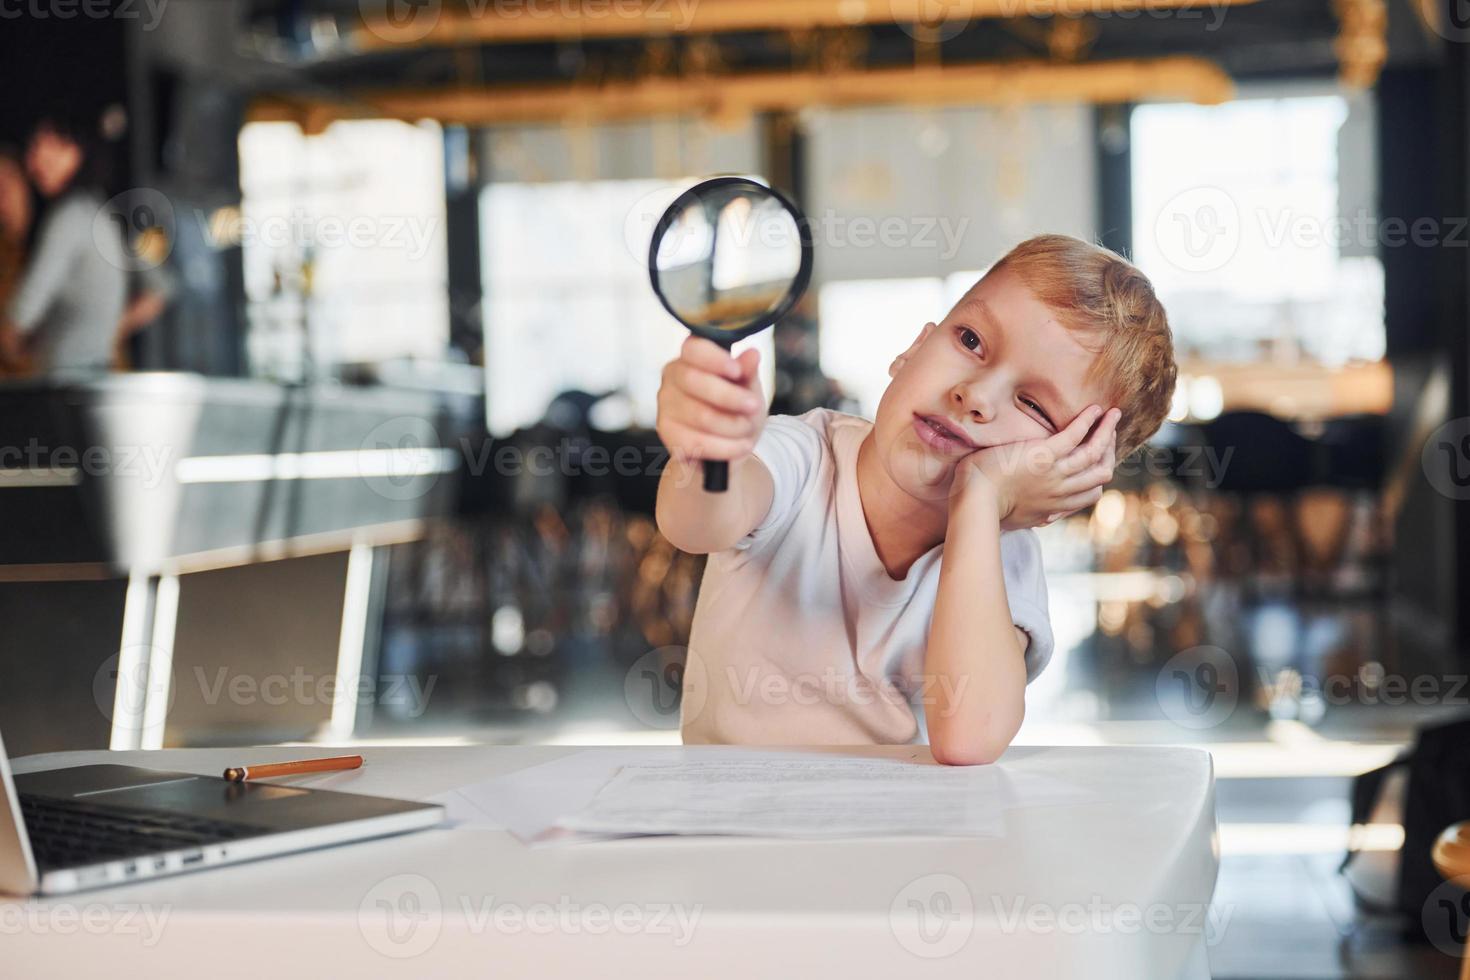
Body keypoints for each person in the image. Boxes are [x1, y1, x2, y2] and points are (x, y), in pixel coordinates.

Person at [654, 234, 1177, 764]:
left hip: (893, 834)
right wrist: (705, 454)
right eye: (970, 340)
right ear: (912, 350)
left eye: (1035, 406)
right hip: (728, 822)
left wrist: (979, 496)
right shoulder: (801, 454)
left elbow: (970, 738)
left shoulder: (1003, 558)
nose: (974, 395)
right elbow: (696, 524)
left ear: (1070, 475)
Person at [0, 119, 127, 375]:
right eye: (34, 148)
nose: (36, 161)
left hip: (67, 377)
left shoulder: (71, 216)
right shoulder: (96, 212)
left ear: (78, 151)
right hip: (92, 370)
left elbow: (22, 314)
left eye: (50, 146)